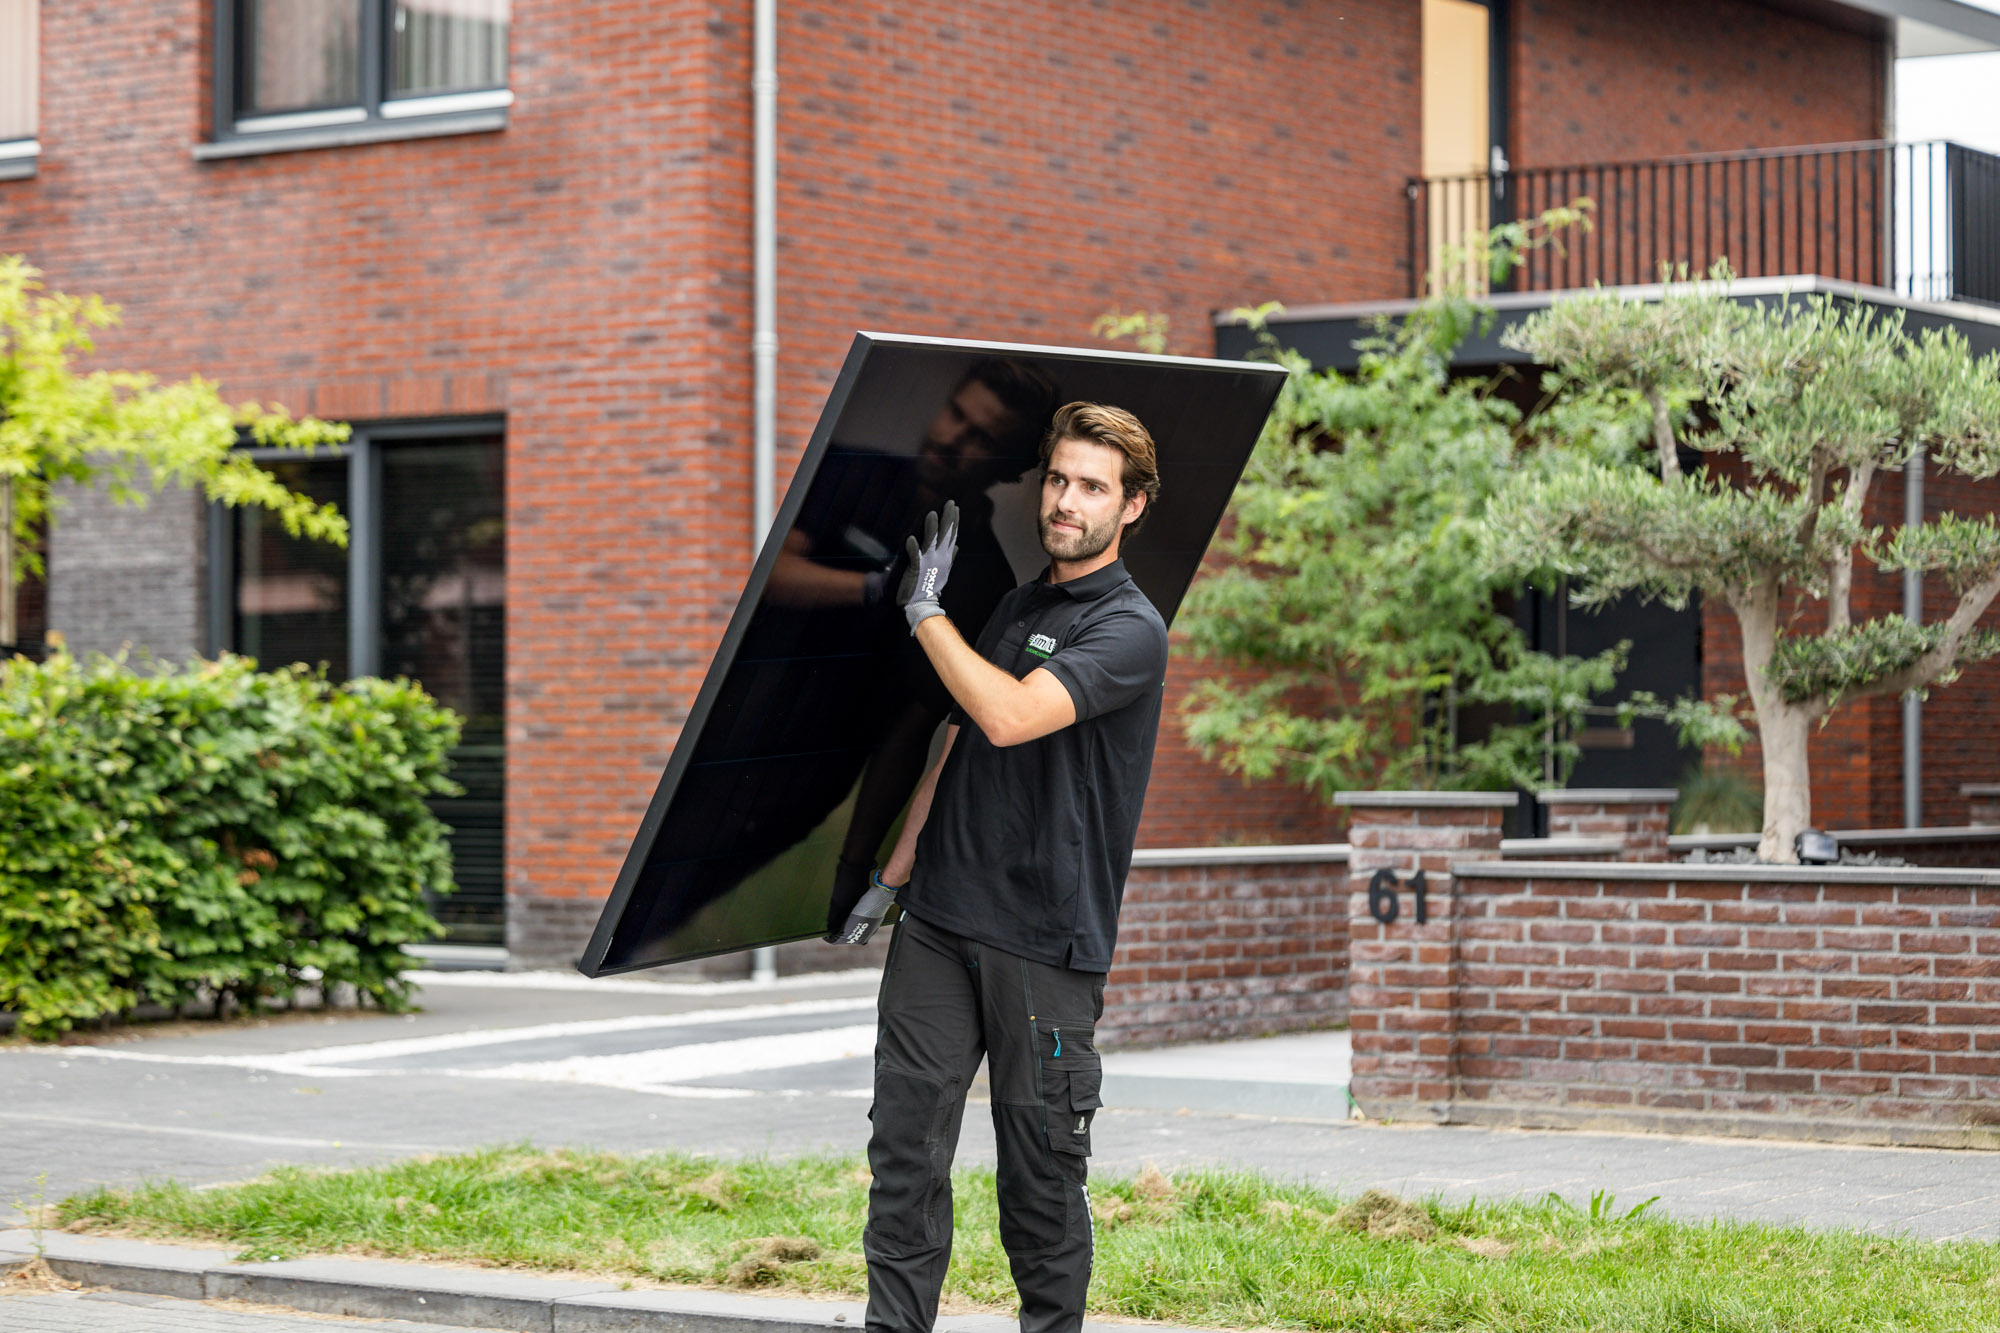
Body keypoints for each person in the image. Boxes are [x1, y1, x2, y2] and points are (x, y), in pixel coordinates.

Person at [833, 403, 1169, 1333]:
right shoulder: (1021, 605)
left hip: (1043, 944)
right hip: (939, 921)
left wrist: (924, 612)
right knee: (903, 1155)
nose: (1066, 501)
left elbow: (1010, 715)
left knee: (1040, 1179)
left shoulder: (1131, 629)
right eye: (1058, 479)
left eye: (1092, 487)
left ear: (1131, 506)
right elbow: (956, 742)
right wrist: (893, 874)